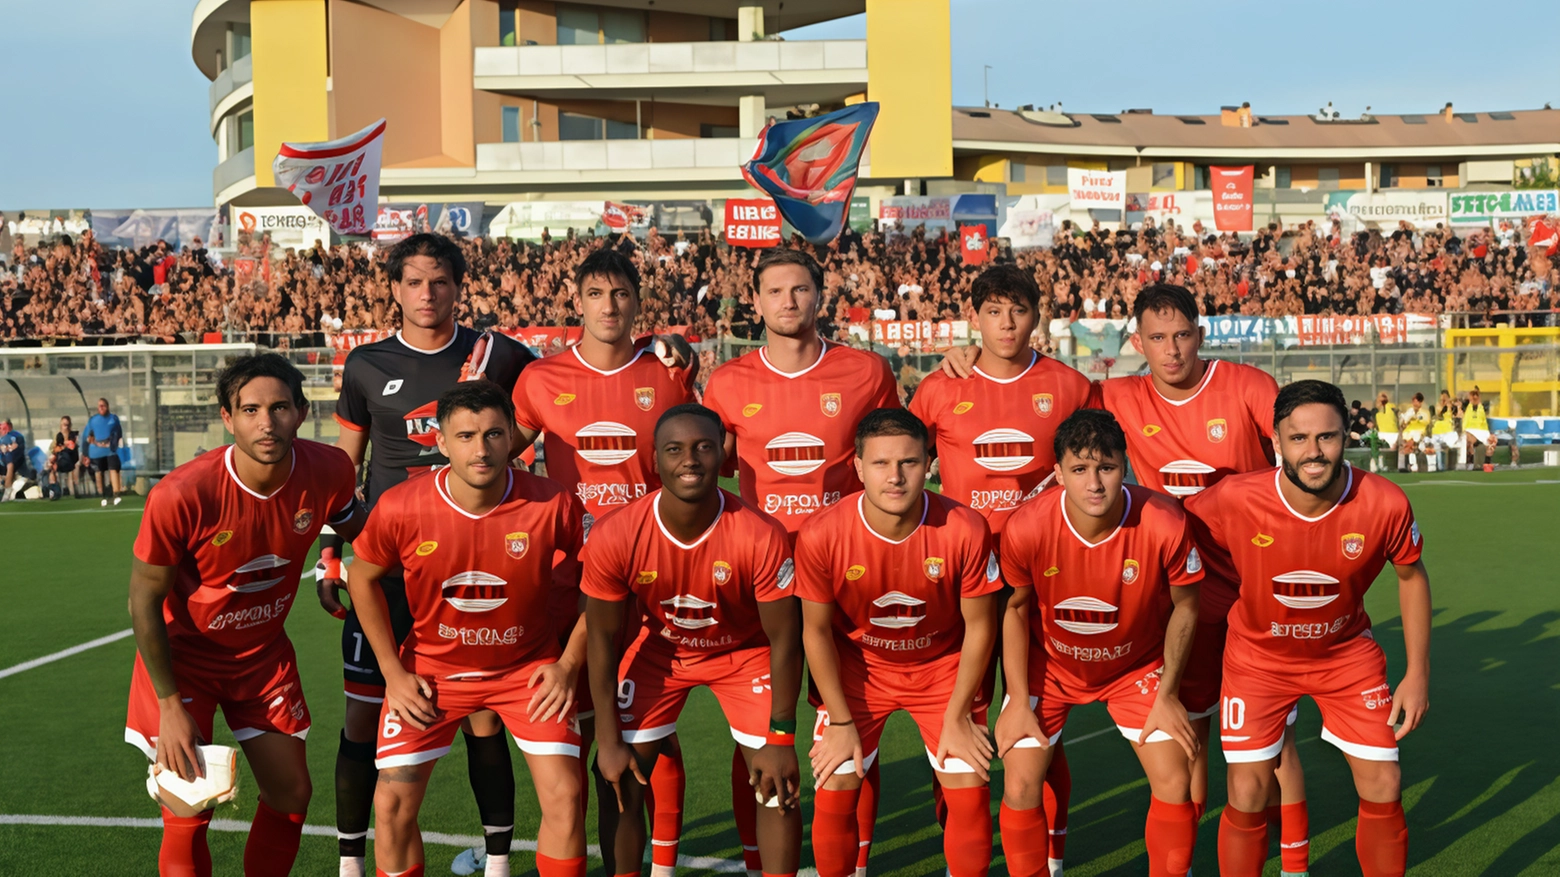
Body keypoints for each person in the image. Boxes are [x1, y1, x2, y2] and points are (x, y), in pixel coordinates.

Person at [942, 282, 1308, 872]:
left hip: (1243, 591)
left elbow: (1302, 449)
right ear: (1137, 342)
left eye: (1182, 335)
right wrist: (966, 359)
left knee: (1269, 745)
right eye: (1157, 338)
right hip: (1160, 598)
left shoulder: (1248, 387)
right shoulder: (1114, 395)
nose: (1171, 349)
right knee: (1185, 741)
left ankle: (1293, 863)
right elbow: (1057, 413)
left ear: (1201, 333)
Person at [324, 233, 538, 877]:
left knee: (481, 717)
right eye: (413, 281)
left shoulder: (497, 356)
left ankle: (497, 861)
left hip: (474, 563)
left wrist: (663, 352)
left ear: (457, 286)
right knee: (364, 717)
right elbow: (344, 467)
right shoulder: (364, 364)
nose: (427, 294)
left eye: (439, 281)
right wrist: (331, 551)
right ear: (393, 288)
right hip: (388, 568)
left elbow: (567, 381)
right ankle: (351, 863)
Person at [124, 353, 363, 877]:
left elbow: (365, 536)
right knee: (188, 803)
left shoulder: (330, 469)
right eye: (250, 409)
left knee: (292, 791)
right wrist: (168, 705)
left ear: (301, 412)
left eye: (279, 407)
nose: (266, 421)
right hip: (183, 661)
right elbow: (143, 599)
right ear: (227, 418)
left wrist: (340, 566)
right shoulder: (182, 494)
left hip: (262, 658)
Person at [702, 246, 899, 874]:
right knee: (759, 731)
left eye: (800, 290)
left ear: (820, 296)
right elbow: (710, 466)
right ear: (754, 303)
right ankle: (760, 862)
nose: (789, 302)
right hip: (764, 581)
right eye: (775, 292)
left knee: (855, 729)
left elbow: (901, 450)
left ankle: (857, 863)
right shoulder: (728, 382)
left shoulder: (866, 372)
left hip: (848, 574)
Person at [1184, 380, 1430, 877]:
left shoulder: (1384, 502)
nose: (1313, 452)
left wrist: (1417, 672)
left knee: (1384, 782)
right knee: (1248, 789)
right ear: (1276, 441)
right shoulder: (1234, 498)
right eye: (1298, 439)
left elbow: (1411, 575)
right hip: (1257, 659)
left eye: (1327, 437)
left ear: (1348, 436)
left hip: (1345, 656)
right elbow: (1171, 535)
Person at [344, 381, 589, 877]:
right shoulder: (402, 505)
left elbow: (602, 582)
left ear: (514, 438)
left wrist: (567, 664)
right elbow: (362, 577)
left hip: (528, 672)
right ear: (441, 441)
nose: (481, 449)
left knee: (566, 793)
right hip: (431, 671)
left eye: (495, 434)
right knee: (390, 805)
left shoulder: (552, 502)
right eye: (466, 436)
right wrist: (392, 673)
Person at [510, 247, 699, 877]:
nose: (609, 306)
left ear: (638, 303)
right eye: (597, 294)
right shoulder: (539, 380)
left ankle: (658, 867)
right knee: (580, 736)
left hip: (651, 577)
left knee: (647, 732)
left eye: (621, 294)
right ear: (578, 301)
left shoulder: (670, 374)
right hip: (566, 581)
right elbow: (494, 452)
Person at [908, 263, 1091, 872]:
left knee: (1039, 723)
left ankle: (1053, 855)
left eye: (1018, 309)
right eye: (993, 311)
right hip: (956, 581)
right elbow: (900, 467)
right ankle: (957, 841)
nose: (1006, 323)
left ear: (1037, 315)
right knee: (955, 726)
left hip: (1043, 579)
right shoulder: (938, 388)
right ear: (974, 317)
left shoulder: (1069, 385)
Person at [583, 403, 803, 877]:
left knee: (775, 782)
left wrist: (782, 737)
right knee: (617, 776)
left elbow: (785, 638)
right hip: (660, 652)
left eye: (704, 447)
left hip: (744, 654)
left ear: (723, 456)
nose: (691, 459)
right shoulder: (616, 532)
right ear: (654, 458)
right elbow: (601, 636)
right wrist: (607, 734)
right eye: (675, 449)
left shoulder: (761, 534)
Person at [994, 409, 1203, 877]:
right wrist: (1015, 700)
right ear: (1058, 473)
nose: (1095, 483)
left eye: (1106, 468)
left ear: (1125, 466)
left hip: (1136, 669)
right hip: (1049, 670)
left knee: (1175, 779)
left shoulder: (1165, 521)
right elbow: (1015, 609)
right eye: (1080, 469)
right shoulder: (1027, 526)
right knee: (1022, 783)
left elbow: (1187, 607)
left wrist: (1167, 693)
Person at [795, 408, 1001, 877]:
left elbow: (981, 627)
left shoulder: (965, 527)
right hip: (858, 672)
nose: (896, 477)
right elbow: (816, 630)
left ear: (928, 463)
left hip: (943, 669)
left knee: (969, 790)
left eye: (909, 463)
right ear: (858, 466)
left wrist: (956, 716)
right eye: (882, 464)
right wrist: (841, 720)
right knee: (835, 785)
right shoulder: (822, 532)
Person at [84, 397, 125, 506]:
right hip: (97, 451)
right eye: (99, 406)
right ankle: (103, 495)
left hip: (110, 449)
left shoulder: (113, 418)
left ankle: (116, 494)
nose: (101, 407)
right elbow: (87, 436)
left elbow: (119, 432)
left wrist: (113, 442)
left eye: (103, 405)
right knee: (99, 472)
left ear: (107, 407)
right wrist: (87, 451)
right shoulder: (93, 420)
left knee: (113, 469)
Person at [1462, 387, 1497, 468]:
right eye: (1472, 395)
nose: (1474, 397)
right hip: (1470, 431)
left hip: (1482, 431)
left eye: (1476, 395)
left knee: (1493, 440)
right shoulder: (1466, 405)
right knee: (1466, 437)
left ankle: (1487, 462)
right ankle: (1473, 457)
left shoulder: (1483, 406)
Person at [47, 414, 81, 499]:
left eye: (67, 425)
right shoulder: (58, 436)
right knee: (51, 467)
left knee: (75, 466)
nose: (65, 427)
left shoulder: (72, 435)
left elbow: (72, 447)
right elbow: (53, 449)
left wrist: (62, 447)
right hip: (61, 460)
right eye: (63, 425)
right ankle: (54, 491)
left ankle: (73, 491)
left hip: (71, 460)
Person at [1399, 393, 1430, 472]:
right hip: (1408, 434)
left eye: (1416, 402)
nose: (1414, 404)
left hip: (1419, 433)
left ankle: (1416, 466)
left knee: (1414, 445)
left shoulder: (1425, 412)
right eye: (1413, 402)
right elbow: (1403, 423)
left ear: (1420, 403)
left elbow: (1426, 422)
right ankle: (1407, 466)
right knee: (1407, 445)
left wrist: (1416, 419)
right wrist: (1406, 420)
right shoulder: (1409, 412)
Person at [1372, 392, 1400, 474]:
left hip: (1392, 432)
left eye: (1382, 398)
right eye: (1379, 398)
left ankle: (1391, 466)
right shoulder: (1376, 410)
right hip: (1382, 432)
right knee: (1380, 451)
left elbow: (1397, 412)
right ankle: (1381, 466)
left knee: (1391, 451)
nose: (1380, 400)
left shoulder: (1391, 406)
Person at [0, 418, 26, 501]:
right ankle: (4, 486)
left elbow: (15, 449)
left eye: (3, 427)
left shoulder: (16, 436)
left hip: (16, 463)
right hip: (4, 463)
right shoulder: (2, 438)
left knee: (9, 462)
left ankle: (7, 491)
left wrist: (7, 448)